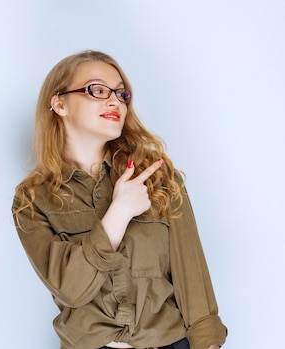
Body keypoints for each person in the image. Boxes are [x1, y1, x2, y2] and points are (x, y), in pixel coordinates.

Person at [12, 50, 227, 349]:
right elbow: (70, 290)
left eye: (120, 93)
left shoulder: (156, 176)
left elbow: (192, 277)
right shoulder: (33, 199)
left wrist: (208, 344)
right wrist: (120, 212)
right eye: (97, 90)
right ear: (59, 103)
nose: (114, 101)